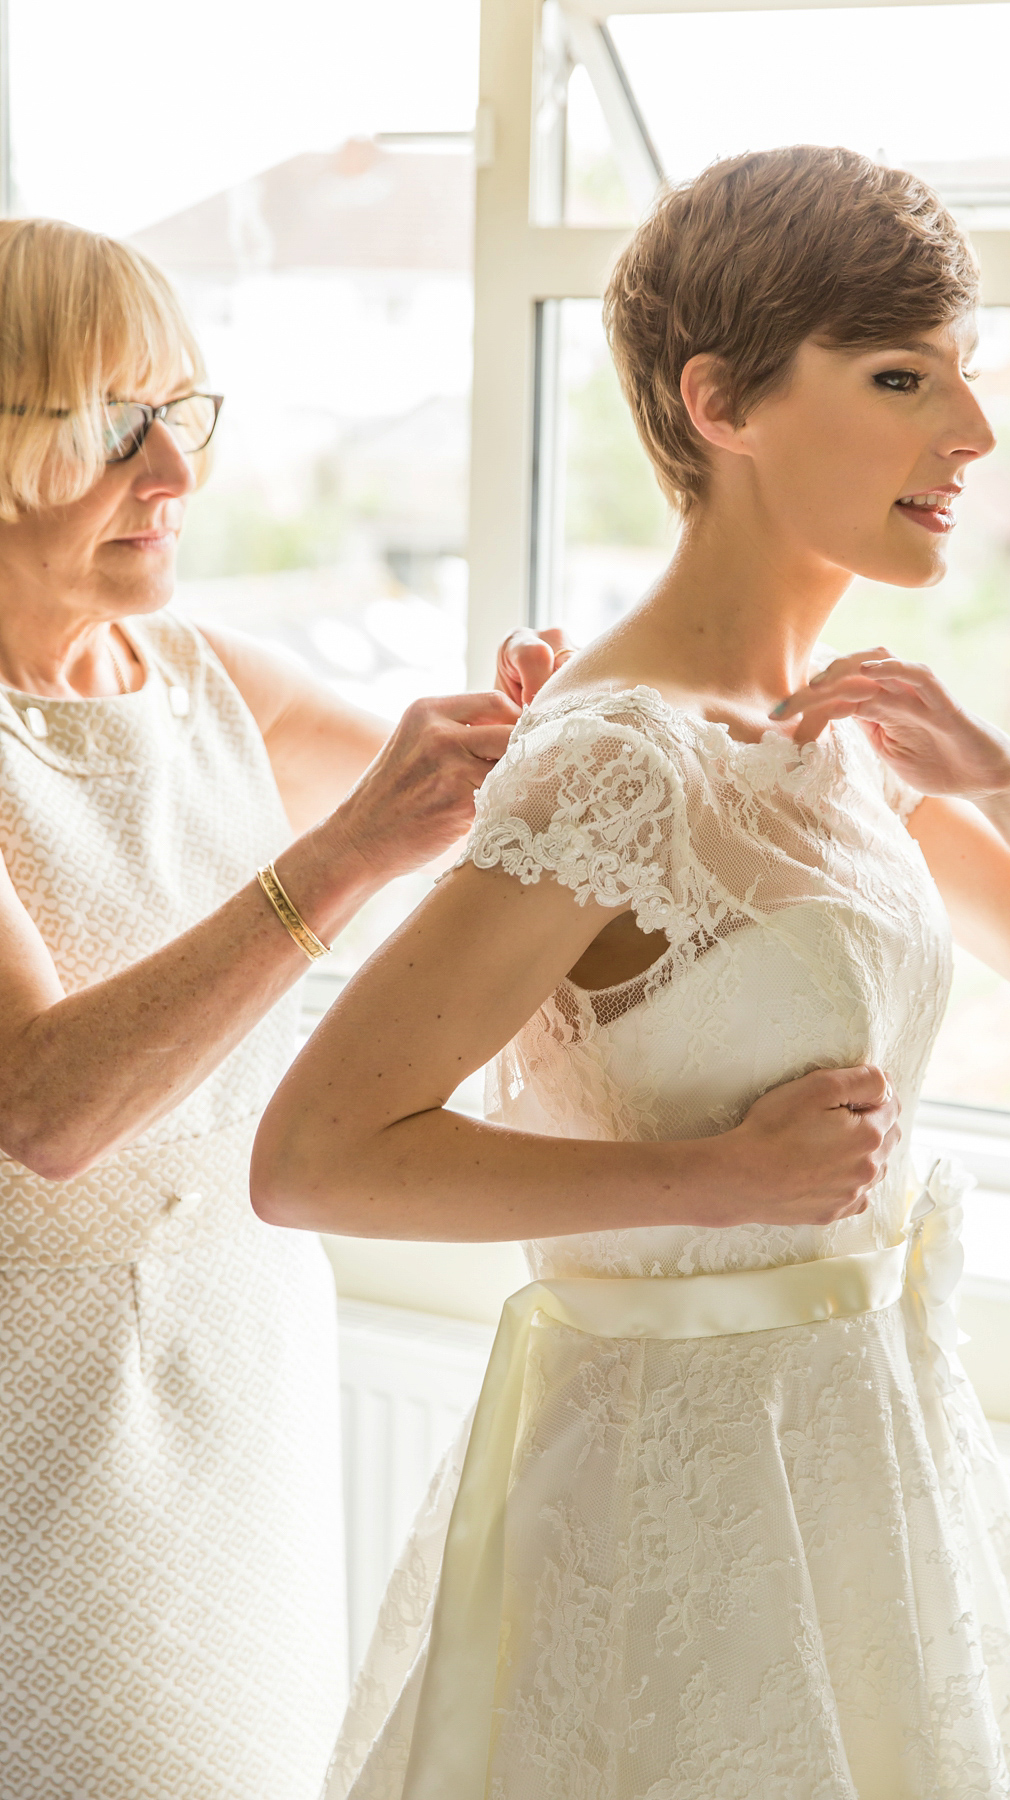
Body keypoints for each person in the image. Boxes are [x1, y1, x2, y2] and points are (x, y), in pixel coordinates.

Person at [253, 148, 1010, 1800]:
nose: (971, 432)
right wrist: (719, 1177)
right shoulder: (613, 760)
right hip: (668, 1493)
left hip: (873, 1458)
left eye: (968, 375)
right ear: (720, 402)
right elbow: (314, 1156)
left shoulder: (842, 739)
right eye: (902, 377)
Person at [0, 216, 569, 1800]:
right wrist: (342, 855)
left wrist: (562, 722)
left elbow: (464, 781)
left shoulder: (194, 673)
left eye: (187, 415)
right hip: (31, 1413)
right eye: (118, 428)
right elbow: (42, 1106)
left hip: (239, 1357)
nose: (177, 474)